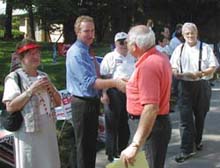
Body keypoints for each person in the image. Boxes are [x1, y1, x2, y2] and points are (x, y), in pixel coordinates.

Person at [65, 15, 125, 168]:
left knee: (90, 145)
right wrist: (116, 83)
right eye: (86, 31)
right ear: (77, 32)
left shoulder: (86, 50)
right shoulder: (77, 52)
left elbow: (95, 76)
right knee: (84, 148)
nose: (91, 34)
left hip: (90, 102)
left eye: (92, 30)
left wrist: (103, 93)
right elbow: (90, 82)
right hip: (82, 104)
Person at [2, 38, 61, 168]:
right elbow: (10, 106)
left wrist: (50, 87)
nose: (36, 56)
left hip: (48, 129)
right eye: (31, 54)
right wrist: (31, 90)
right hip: (28, 133)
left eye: (37, 53)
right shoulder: (14, 78)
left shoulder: (43, 75)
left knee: (50, 163)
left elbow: (58, 102)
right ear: (22, 58)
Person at [120, 25, 172, 168]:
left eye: (127, 42)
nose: (126, 45)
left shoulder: (148, 66)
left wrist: (136, 144)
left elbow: (151, 108)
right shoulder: (158, 57)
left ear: (135, 46)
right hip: (152, 126)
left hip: (150, 127)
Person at [170, 22, 218, 163]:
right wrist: (177, 74)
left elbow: (213, 66)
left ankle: (197, 141)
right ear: (183, 35)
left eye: (192, 33)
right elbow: (173, 67)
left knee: (200, 115)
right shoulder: (179, 49)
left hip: (202, 84)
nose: (190, 36)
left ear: (197, 33)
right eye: (187, 34)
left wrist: (201, 73)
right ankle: (186, 149)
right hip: (184, 86)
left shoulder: (206, 48)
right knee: (185, 119)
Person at [100, 32, 136, 162]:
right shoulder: (110, 57)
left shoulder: (133, 56)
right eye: (121, 42)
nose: (124, 45)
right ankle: (111, 153)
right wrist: (104, 94)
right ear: (116, 43)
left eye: (126, 42)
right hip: (113, 92)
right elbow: (104, 77)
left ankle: (122, 150)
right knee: (112, 124)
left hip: (129, 92)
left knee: (125, 123)